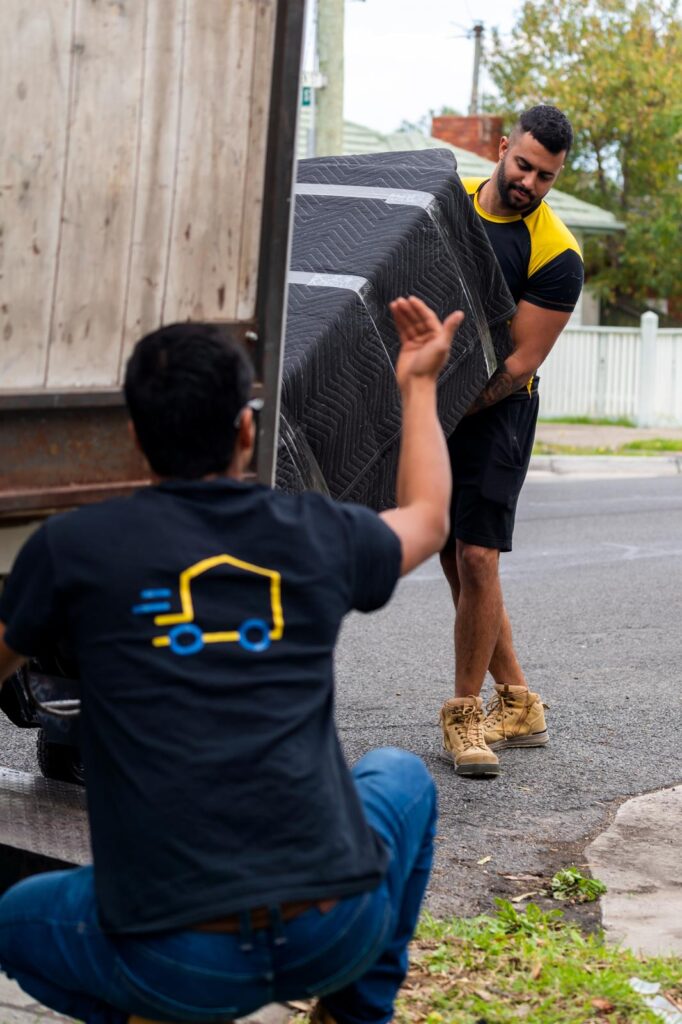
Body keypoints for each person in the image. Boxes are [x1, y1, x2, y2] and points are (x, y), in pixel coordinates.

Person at [0, 297, 463, 1024]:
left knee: (15, 922)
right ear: (246, 430)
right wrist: (420, 383)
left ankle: (153, 1011)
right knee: (402, 778)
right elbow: (430, 518)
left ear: (134, 439)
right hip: (332, 928)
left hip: (174, 954)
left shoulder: (73, 549)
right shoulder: (317, 532)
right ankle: (356, 1014)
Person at [438, 104, 584, 778]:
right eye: (523, 165)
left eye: (545, 176)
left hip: (498, 410)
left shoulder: (557, 253)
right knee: (453, 556)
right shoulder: (450, 209)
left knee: (477, 555)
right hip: (433, 401)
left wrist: (442, 408)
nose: (529, 182)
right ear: (502, 148)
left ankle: (465, 715)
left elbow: (520, 361)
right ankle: (519, 701)